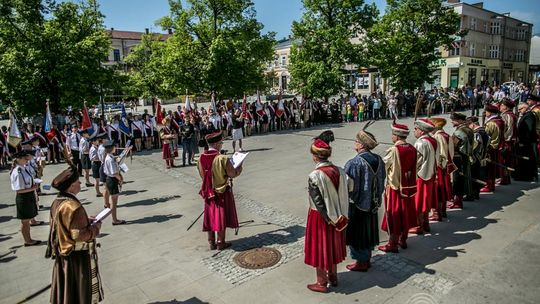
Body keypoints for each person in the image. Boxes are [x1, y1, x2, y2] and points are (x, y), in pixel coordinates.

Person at [46, 165, 104, 304]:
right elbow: (78, 235)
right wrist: (95, 228)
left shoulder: (57, 201)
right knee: (80, 291)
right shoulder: (73, 206)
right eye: (78, 182)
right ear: (71, 187)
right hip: (77, 257)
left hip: (63, 254)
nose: (80, 183)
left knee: (67, 290)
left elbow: (64, 224)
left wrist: (85, 221)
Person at [304, 137, 349, 293]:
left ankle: (321, 282)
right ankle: (333, 276)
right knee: (332, 245)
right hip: (339, 215)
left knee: (320, 247)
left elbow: (318, 202)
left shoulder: (315, 175)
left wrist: (327, 218)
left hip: (320, 217)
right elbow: (351, 186)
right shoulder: (340, 170)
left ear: (315, 156)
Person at [344, 129, 385, 272]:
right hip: (373, 202)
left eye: (356, 141)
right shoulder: (379, 159)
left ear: (361, 145)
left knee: (357, 233)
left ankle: (361, 262)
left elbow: (349, 185)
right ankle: (366, 258)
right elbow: (382, 179)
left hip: (358, 204)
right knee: (368, 231)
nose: (354, 143)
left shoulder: (355, 162)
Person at [197, 131, 242, 251]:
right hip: (221, 191)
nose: (222, 144)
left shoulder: (200, 158)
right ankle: (220, 242)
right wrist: (239, 166)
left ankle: (211, 242)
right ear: (216, 144)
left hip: (208, 192)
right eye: (221, 142)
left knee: (210, 215)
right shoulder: (221, 158)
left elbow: (202, 175)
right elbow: (232, 174)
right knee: (219, 216)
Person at [379, 123, 417, 252]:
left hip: (394, 187)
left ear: (396, 136)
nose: (392, 137)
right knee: (405, 213)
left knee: (394, 214)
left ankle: (392, 243)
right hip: (408, 186)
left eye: (393, 134)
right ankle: (403, 239)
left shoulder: (394, 150)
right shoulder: (412, 148)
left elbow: (383, 166)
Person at [411, 119, 439, 234]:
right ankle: (426, 223)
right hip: (431, 173)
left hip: (420, 175)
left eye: (416, 129)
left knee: (418, 201)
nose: (414, 131)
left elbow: (416, 161)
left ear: (422, 131)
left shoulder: (420, 143)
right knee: (426, 200)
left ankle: (418, 225)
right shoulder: (433, 140)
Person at [10, 151, 42, 246]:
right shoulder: (18, 171)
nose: (26, 160)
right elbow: (19, 190)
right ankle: (28, 240)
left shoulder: (23, 168)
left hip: (28, 196)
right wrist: (34, 188)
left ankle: (29, 239)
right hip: (24, 198)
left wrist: (34, 184)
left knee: (27, 221)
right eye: (24, 158)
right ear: (18, 159)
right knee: (25, 222)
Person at [428, 117, 454, 219]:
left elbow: (440, 153)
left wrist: (437, 165)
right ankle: (443, 211)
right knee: (444, 189)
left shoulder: (437, 137)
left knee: (438, 190)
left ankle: (436, 213)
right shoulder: (447, 135)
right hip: (446, 166)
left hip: (439, 167)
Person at [448, 112, 474, 208]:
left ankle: (458, 202)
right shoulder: (469, 129)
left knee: (457, 179)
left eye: (453, 120)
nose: (452, 122)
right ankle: (465, 196)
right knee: (463, 178)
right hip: (466, 156)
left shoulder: (459, 132)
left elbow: (453, 146)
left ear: (459, 120)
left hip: (458, 157)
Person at [481, 104, 505, 192]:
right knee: (493, 167)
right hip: (497, 146)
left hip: (490, 147)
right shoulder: (500, 120)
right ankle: (492, 183)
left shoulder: (491, 123)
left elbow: (485, 136)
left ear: (490, 113)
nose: (485, 113)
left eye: (486, 111)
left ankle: (489, 185)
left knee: (489, 168)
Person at [513, 102, 538, 181]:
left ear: (525, 108)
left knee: (527, 160)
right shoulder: (526, 115)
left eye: (520, 109)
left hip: (527, 143)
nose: (519, 111)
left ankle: (527, 176)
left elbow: (529, 130)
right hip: (526, 142)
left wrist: (523, 142)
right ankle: (525, 175)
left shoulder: (529, 116)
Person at [103, 141, 125, 225]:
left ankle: (114, 219)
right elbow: (114, 173)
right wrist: (120, 179)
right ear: (111, 148)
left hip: (110, 179)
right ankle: (114, 219)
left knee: (114, 201)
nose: (115, 148)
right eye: (114, 147)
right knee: (114, 202)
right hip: (112, 180)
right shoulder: (110, 159)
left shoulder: (110, 157)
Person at [467, 116, 489, 200]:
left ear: (472, 124)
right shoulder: (484, 131)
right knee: (477, 175)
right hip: (482, 156)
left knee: (473, 176)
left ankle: (472, 194)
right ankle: (476, 193)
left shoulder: (476, 133)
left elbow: (473, 146)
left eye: (469, 125)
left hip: (475, 158)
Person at [499, 99, 518, 185]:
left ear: (506, 107)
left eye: (502, 105)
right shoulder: (512, 115)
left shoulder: (506, 116)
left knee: (504, 160)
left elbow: (506, 129)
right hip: (510, 140)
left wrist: (503, 139)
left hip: (506, 141)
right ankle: (506, 178)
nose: (500, 107)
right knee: (508, 160)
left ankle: (505, 179)